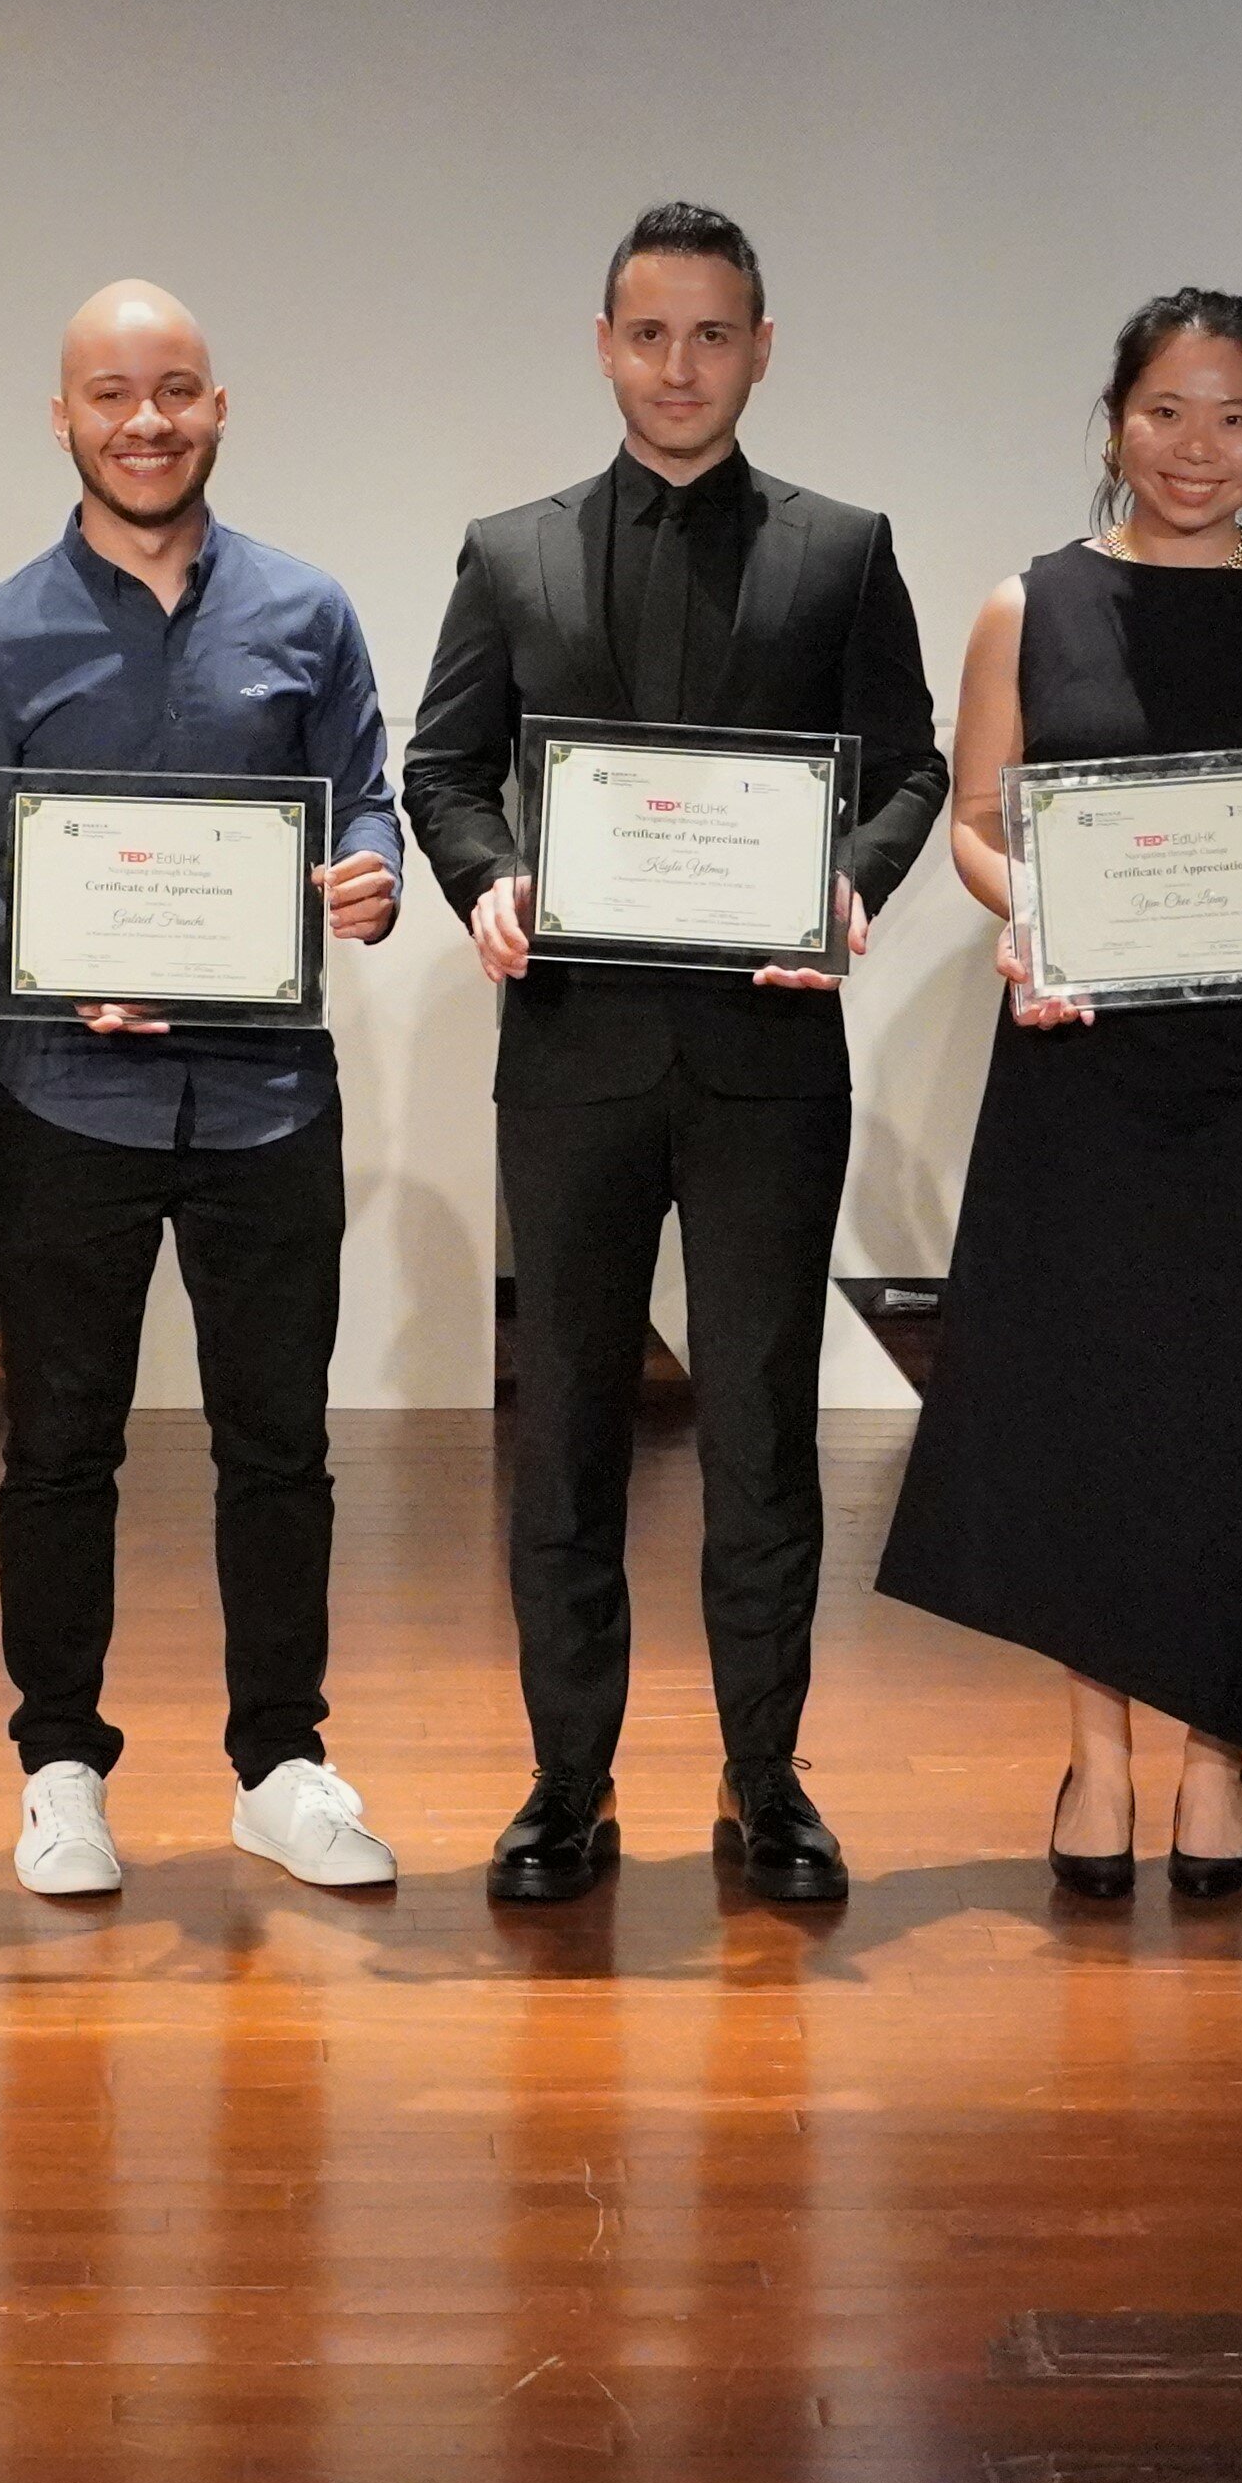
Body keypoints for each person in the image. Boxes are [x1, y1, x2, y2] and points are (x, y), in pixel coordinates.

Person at [404, 199, 950, 1907]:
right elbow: (444, 767)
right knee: (563, 1430)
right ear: (605, 346)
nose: (681, 367)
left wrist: (852, 886)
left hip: (767, 1060)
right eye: (651, 334)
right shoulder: (514, 552)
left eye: (715, 335)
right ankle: (567, 1784)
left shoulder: (843, 550)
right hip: (571, 1058)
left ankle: (764, 1774)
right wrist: (489, 882)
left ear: (762, 350)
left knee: (760, 1437)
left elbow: (913, 768)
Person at [874, 289, 1242, 1897]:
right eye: (1167, 413)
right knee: (1097, 1422)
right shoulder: (1029, 605)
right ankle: (1100, 1756)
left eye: (1236, 419)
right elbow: (984, 819)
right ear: (1114, 417)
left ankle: (1220, 1755)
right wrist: (1033, 918)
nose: (1199, 451)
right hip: (1091, 1072)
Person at [0, 281, 413, 1900]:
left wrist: (370, 870)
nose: (147, 421)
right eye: (112, 395)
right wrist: (53, 954)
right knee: (57, 1446)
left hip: (270, 1100)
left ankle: (280, 1764)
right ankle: (60, 1765)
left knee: (279, 1444)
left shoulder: (308, 609)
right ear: (61, 417)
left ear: (221, 408)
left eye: (178, 391)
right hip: (68, 1097)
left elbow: (370, 799)